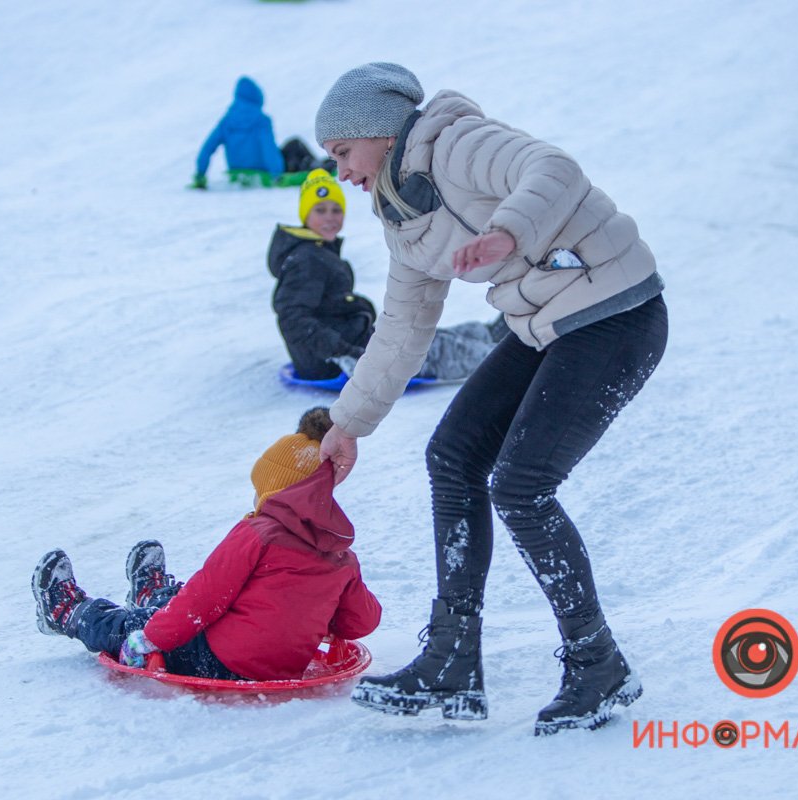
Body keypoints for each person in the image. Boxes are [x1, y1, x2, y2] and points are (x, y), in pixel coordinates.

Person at [312, 63, 668, 734]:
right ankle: (451, 659)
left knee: (522, 485)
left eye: (343, 154)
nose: (342, 172)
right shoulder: (403, 214)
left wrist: (508, 232)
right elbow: (402, 329)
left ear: (378, 134)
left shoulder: (456, 143)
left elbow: (553, 170)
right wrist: (347, 423)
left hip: (617, 312)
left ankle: (599, 664)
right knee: (453, 455)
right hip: (548, 325)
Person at [31, 407, 382, 681]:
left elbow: (205, 599)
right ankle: (155, 596)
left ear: (276, 491)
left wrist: (150, 637)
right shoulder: (340, 556)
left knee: (134, 623)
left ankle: (66, 612)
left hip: (218, 661)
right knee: (202, 607)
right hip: (284, 667)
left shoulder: (257, 534)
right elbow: (361, 622)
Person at [268, 168, 504, 381]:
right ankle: (500, 355)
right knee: (430, 349)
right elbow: (292, 317)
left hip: (358, 342)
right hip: (339, 358)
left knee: (424, 336)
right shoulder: (307, 259)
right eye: (320, 210)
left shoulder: (318, 253)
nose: (330, 217)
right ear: (305, 215)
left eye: (336, 209)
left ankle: (488, 335)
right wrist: (340, 352)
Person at [193, 76, 327, 189]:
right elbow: (267, 147)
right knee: (295, 144)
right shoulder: (261, 120)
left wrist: (200, 174)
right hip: (264, 170)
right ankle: (317, 166)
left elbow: (207, 148)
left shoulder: (226, 122)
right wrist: (276, 173)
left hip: (237, 169)